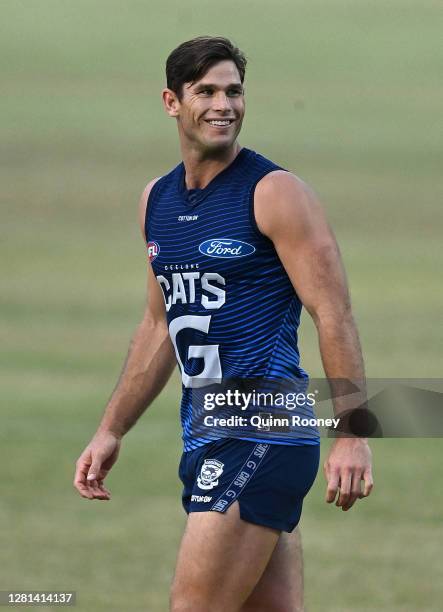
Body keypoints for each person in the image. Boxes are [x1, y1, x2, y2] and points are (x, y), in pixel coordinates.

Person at [74, 36, 373, 612]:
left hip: (263, 430)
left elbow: (332, 312)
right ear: (171, 101)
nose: (224, 104)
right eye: (206, 91)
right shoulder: (156, 200)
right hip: (207, 430)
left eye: (234, 91)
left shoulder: (275, 193)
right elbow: (159, 325)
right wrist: (112, 428)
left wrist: (354, 434)